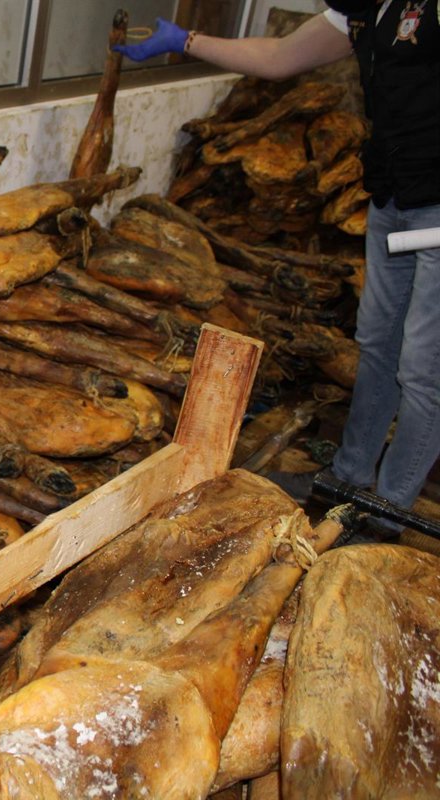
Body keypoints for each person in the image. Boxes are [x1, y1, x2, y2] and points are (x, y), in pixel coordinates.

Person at [117, 2, 440, 536]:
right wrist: (185, 41)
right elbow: (280, 55)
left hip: (437, 211)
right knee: (377, 343)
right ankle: (347, 480)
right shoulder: (367, 6)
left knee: (425, 369)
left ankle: (385, 517)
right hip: (392, 197)